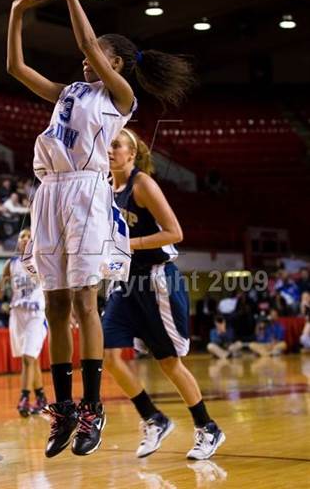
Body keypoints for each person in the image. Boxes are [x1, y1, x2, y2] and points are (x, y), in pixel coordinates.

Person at [7, 0, 194, 458]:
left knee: (85, 303)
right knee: (55, 305)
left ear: (114, 64)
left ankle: (93, 407)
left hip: (87, 194)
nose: (83, 60)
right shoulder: (69, 91)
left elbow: (87, 40)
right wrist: (16, 14)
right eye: (84, 59)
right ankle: (64, 409)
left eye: (95, 57)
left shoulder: (119, 98)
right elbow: (16, 68)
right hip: (50, 194)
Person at [103, 129, 225, 460]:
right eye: (107, 144)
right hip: (125, 282)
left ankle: (208, 427)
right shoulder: (104, 187)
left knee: (169, 363)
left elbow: (175, 233)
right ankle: (153, 418)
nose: (109, 149)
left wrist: (130, 244)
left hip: (157, 280)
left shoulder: (142, 185)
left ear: (132, 153)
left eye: (116, 145)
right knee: (109, 355)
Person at [0, 229, 48, 417]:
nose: (25, 239)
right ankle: (41, 398)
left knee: (28, 358)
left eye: (29, 236)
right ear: (18, 242)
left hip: (37, 314)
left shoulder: (42, 260)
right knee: (30, 360)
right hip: (17, 314)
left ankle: (24, 398)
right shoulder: (11, 264)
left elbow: (54, 287)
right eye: (22, 236)